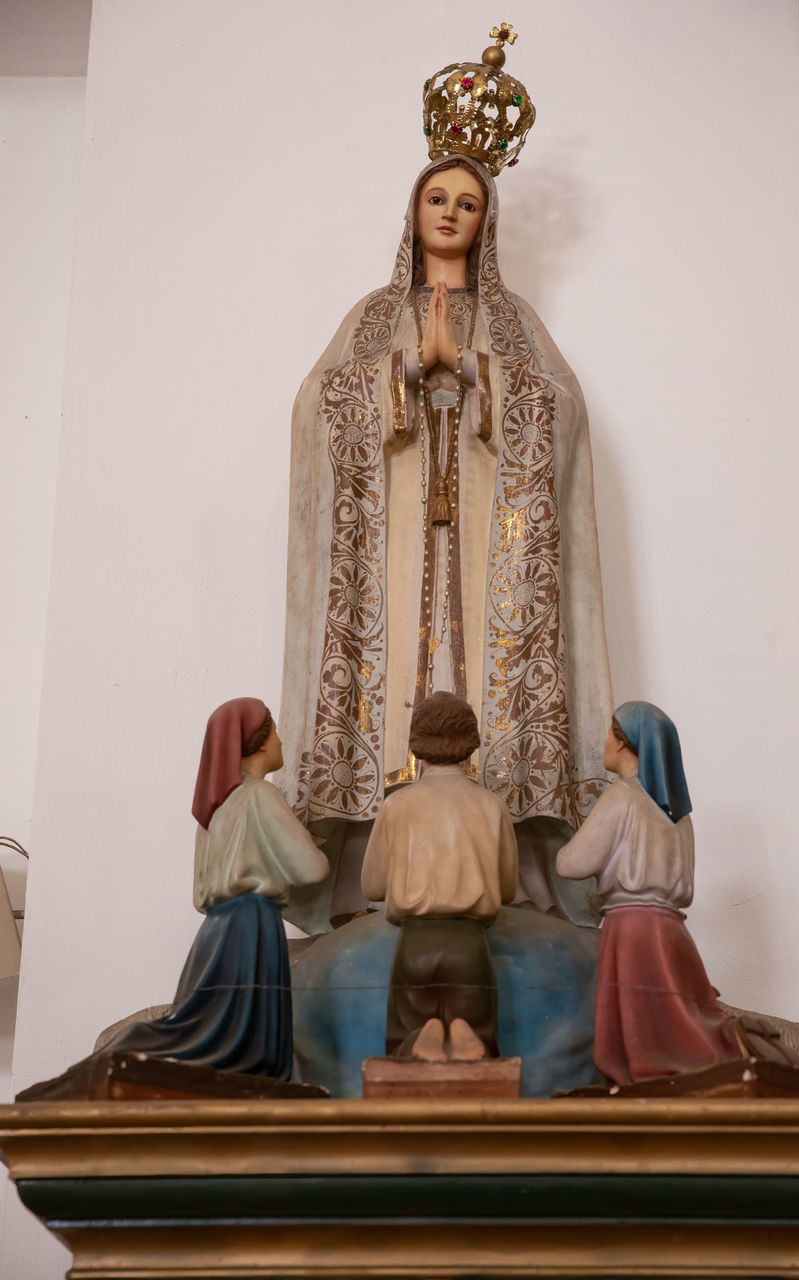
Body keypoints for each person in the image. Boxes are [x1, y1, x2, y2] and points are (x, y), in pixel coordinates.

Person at [278, 151, 611, 931]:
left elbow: (561, 414)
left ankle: (509, 863)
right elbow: (313, 409)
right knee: (390, 669)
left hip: (489, 534)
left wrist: (470, 369)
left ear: (485, 221)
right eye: (437, 197)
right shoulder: (370, 318)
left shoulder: (514, 321)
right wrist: (398, 369)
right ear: (413, 210)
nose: (451, 213)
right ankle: (370, 877)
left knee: (493, 667)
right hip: (388, 540)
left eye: (467, 203)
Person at [107, 698, 329, 1078]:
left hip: (213, 933)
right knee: (243, 1047)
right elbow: (311, 870)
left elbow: (201, 887)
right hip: (251, 929)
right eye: (275, 731)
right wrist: (309, 843)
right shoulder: (260, 795)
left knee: (210, 1026)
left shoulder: (212, 811)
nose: (281, 740)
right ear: (259, 742)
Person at [555, 700, 743, 1085]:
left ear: (626, 743)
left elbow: (569, 864)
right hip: (674, 932)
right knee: (676, 1026)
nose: (603, 741)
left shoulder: (622, 797)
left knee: (644, 1041)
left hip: (634, 929)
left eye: (610, 732)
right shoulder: (680, 814)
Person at [361, 691, 518, 1060]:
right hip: (469, 940)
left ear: (415, 745)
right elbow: (508, 888)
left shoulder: (397, 804)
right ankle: (466, 1034)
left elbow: (372, 885)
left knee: (404, 1032)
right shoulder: (490, 804)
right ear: (470, 746)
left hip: (415, 941)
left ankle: (420, 1037)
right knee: (481, 1034)